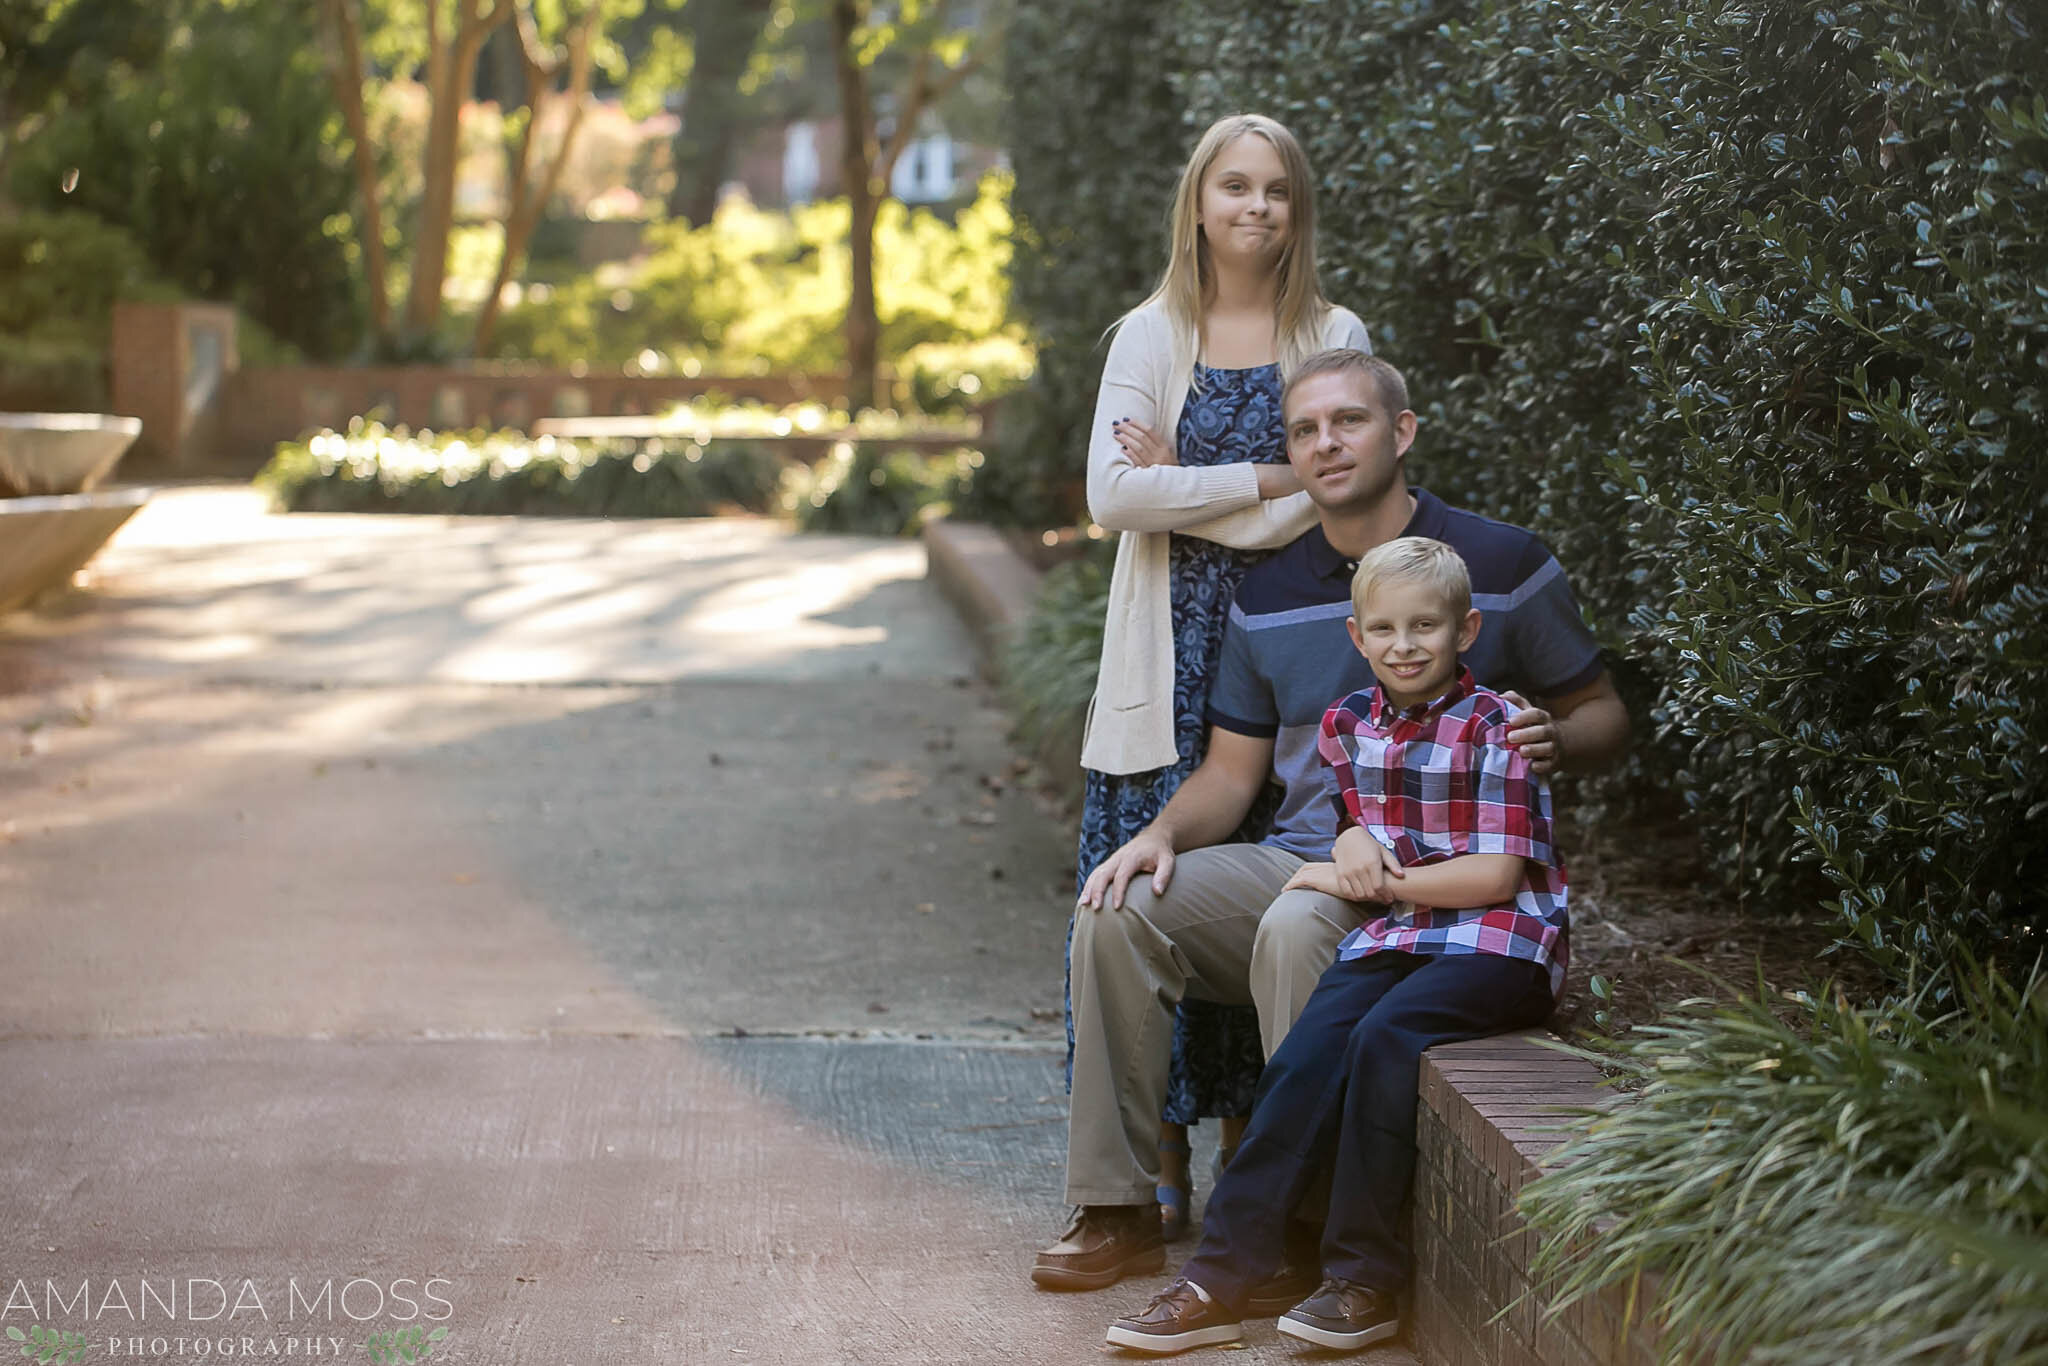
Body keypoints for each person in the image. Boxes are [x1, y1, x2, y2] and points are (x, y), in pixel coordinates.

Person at [1031, 349, 1628, 1296]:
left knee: (1298, 923)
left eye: (1347, 421)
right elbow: (1232, 777)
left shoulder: (1499, 565)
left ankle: (1297, 1231)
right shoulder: (1266, 596)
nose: (1325, 443)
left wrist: (1556, 734)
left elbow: (1604, 712)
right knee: (1118, 908)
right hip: (1312, 854)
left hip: (1447, 886)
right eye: (1304, 430)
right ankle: (1119, 1207)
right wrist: (1157, 837)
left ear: (1402, 431)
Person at [1101, 535, 1565, 1355]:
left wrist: (1369, 882)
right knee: (1311, 1048)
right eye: (1384, 629)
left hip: (1499, 947)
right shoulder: (1350, 723)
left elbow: (1495, 875)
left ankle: (1363, 1281)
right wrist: (1348, 847)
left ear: (1467, 630)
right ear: (1357, 637)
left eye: (1426, 626)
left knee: (1386, 1039)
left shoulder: (1500, 726)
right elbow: (1362, 822)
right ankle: (1217, 1279)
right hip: (1404, 935)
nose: (1405, 645)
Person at [1062, 112, 1373, 1252]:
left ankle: (1257, 1165)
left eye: (1276, 190)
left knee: (1260, 905)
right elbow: (1111, 497)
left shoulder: (1330, 330)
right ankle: (1142, 1187)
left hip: (1284, 656)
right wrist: (1257, 475)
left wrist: (1183, 480)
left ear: (1297, 209)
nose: (1254, 207)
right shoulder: (1149, 335)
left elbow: (1334, 488)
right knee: (1136, 900)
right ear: (1196, 202)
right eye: (1233, 186)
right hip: (1164, 657)